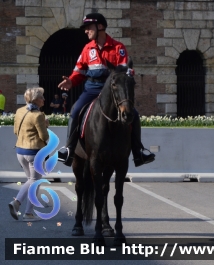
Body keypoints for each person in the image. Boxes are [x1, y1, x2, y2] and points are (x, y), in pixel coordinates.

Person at [57, 13, 155, 167]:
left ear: (100, 27)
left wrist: (129, 73)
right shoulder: (87, 49)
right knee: (75, 110)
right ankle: (68, 149)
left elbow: (125, 69)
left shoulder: (118, 48)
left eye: (88, 28)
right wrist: (71, 81)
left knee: (134, 114)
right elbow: (79, 71)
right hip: (92, 89)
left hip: (112, 92)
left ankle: (139, 152)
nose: (86, 31)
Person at [8, 87, 49, 221]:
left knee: (32, 181)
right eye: (42, 97)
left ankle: (29, 213)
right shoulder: (38, 115)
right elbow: (44, 136)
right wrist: (45, 125)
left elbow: (15, 131)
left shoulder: (19, 111)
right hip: (34, 153)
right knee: (34, 181)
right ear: (36, 100)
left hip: (20, 151)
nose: (44, 99)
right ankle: (18, 203)